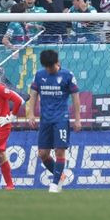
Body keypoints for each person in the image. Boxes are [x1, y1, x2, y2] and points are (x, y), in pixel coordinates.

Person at [26, 50, 81, 193]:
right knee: (43, 154)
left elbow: (75, 98)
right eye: (46, 67)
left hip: (61, 119)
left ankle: (55, 184)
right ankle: (60, 176)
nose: (49, 69)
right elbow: (33, 95)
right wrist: (31, 114)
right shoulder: (39, 75)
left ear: (57, 62)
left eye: (50, 66)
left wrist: (77, 119)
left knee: (59, 151)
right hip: (45, 120)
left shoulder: (68, 76)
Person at [0, 82, 24, 190]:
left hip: (1, 126)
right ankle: (10, 185)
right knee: (0, 155)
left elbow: (19, 100)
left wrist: (10, 118)